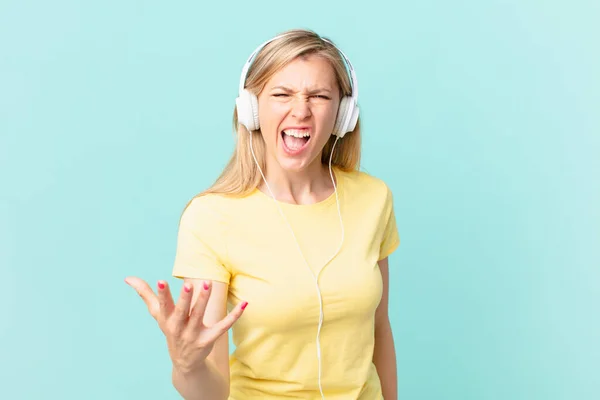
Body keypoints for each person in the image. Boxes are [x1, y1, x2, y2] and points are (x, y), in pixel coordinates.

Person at [125, 28, 400, 400]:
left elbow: (379, 330)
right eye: (281, 95)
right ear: (251, 109)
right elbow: (212, 391)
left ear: (343, 114)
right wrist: (187, 365)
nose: (300, 111)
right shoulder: (211, 217)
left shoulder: (373, 198)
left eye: (318, 96)